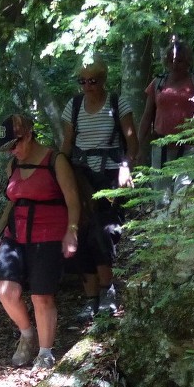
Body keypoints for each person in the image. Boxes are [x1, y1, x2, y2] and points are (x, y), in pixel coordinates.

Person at [0, 113, 81, 369]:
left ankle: (45, 353)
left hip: (48, 235)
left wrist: (72, 231)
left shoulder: (55, 160)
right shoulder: (14, 165)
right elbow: (12, 201)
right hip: (15, 235)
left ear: (28, 136)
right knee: (6, 291)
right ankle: (27, 335)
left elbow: (72, 200)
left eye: (14, 145)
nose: (11, 151)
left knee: (41, 296)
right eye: (7, 148)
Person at [61, 59, 139, 319]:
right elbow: (67, 144)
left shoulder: (118, 104)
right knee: (80, 235)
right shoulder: (73, 107)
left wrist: (126, 166)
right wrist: (60, 174)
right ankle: (90, 299)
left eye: (92, 81)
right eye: (82, 81)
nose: (86, 86)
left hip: (110, 176)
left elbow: (132, 140)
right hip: (81, 177)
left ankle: (108, 293)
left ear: (103, 80)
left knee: (103, 234)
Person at [138, 39, 194, 169]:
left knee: (184, 189)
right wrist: (139, 146)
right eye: (171, 61)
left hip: (190, 147)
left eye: (179, 61)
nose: (174, 65)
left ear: (187, 62)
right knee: (160, 188)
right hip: (161, 147)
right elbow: (147, 116)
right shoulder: (157, 84)